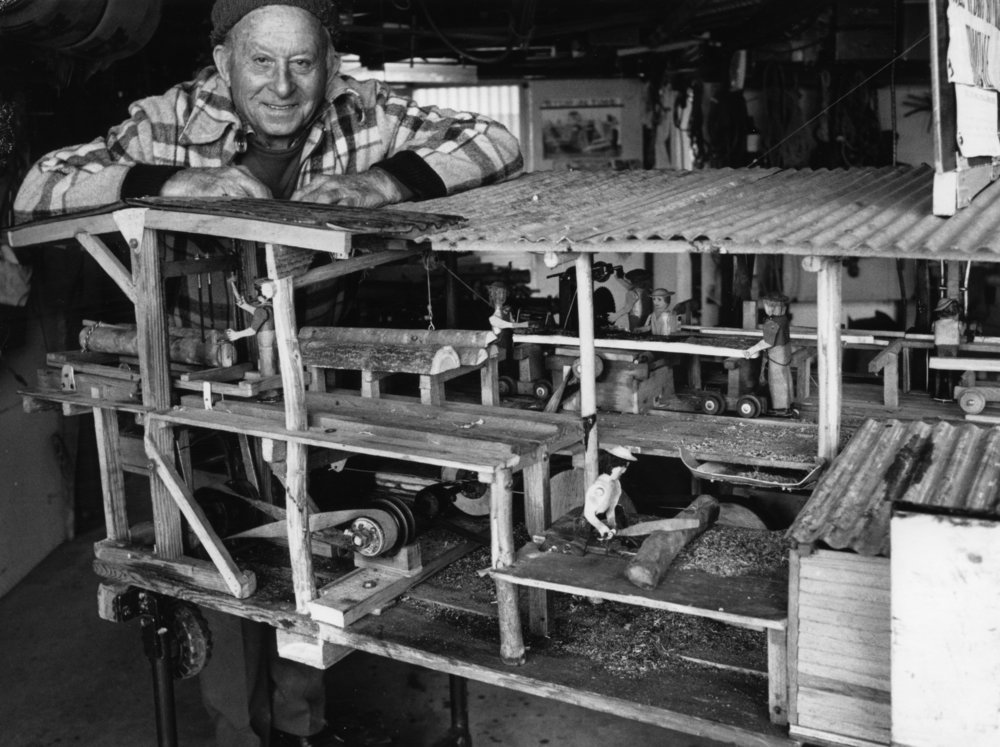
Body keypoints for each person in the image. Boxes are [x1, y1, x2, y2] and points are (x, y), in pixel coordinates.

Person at [13, 2, 524, 746]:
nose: (283, 86)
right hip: (191, 388)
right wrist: (168, 184)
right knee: (215, 564)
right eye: (260, 62)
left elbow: (496, 141)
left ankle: (297, 728)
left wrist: (381, 183)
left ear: (331, 63)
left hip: (303, 378)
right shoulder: (169, 119)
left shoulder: (366, 115)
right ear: (223, 63)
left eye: (302, 63)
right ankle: (240, 731)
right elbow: (39, 188)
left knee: (308, 566)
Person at [743, 291, 796, 417]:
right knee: (786, 378)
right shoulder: (783, 319)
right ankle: (789, 405)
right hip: (786, 351)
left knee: (776, 380)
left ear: (771, 307)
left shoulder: (772, 322)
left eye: (766, 305)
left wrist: (751, 350)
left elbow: (767, 342)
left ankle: (781, 408)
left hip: (777, 354)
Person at [582, 446, 637, 540]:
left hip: (602, 522)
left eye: (625, 468)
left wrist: (612, 527)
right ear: (611, 465)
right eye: (622, 467)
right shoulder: (599, 488)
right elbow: (588, 514)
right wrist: (601, 528)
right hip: (588, 523)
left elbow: (611, 510)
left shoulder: (616, 485)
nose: (623, 471)